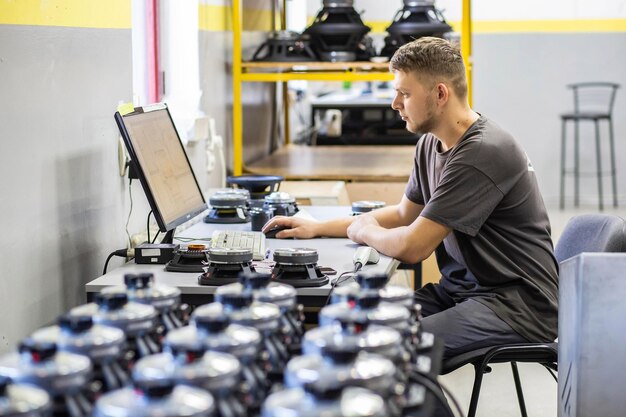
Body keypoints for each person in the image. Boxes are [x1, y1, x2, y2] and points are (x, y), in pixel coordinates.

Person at [262, 37, 558, 362]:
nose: (394, 103)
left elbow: (413, 247)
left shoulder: (483, 151)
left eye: (404, 93)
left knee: (388, 350)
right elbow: (404, 215)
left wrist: (362, 231)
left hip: (517, 305)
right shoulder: (431, 144)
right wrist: (319, 227)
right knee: (352, 321)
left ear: (440, 94)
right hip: (464, 291)